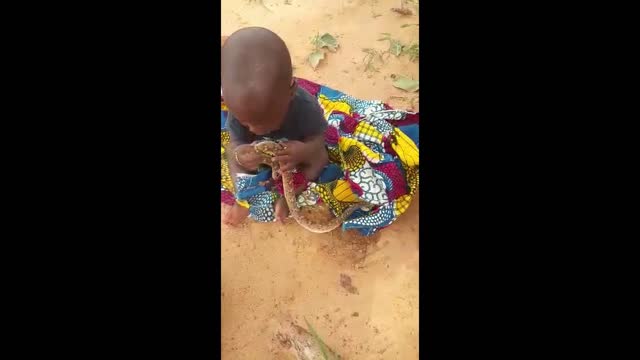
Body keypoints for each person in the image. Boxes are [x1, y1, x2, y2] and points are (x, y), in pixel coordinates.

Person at [221, 27, 329, 226]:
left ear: (291, 92)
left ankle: (288, 199)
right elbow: (236, 141)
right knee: (232, 157)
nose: (254, 130)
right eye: (246, 123)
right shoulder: (239, 109)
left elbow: (319, 141)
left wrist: (303, 151)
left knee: (318, 161)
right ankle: (244, 199)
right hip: (259, 156)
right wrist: (240, 154)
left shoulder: (305, 107)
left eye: (266, 122)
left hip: (293, 156)